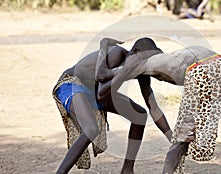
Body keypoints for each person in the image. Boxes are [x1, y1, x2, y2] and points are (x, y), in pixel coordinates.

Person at [98, 46, 221, 174]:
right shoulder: (165, 57)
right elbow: (153, 105)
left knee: (181, 137)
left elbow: (103, 76)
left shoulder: (139, 62)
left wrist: (103, 48)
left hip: (199, 70)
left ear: (136, 53)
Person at [52, 37, 172, 174]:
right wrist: (125, 69)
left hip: (96, 91)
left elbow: (154, 109)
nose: (146, 64)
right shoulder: (117, 53)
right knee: (91, 129)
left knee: (139, 115)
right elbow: (102, 92)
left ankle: (127, 169)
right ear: (134, 52)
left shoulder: (141, 70)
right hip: (73, 84)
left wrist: (173, 140)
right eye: (144, 59)